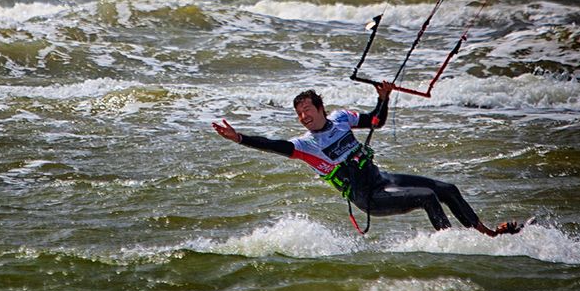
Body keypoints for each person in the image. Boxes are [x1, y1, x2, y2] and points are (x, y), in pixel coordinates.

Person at [212, 81, 523, 236]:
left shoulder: (342, 118)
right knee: (428, 197)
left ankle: (488, 233)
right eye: (299, 113)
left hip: (382, 180)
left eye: (308, 110)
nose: (303, 116)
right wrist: (239, 137)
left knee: (447, 188)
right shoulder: (305, 145)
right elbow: (272, 144)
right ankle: (455, 245)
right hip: (367, 197)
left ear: (321, 109)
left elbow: (377, 121)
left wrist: (383, 98)